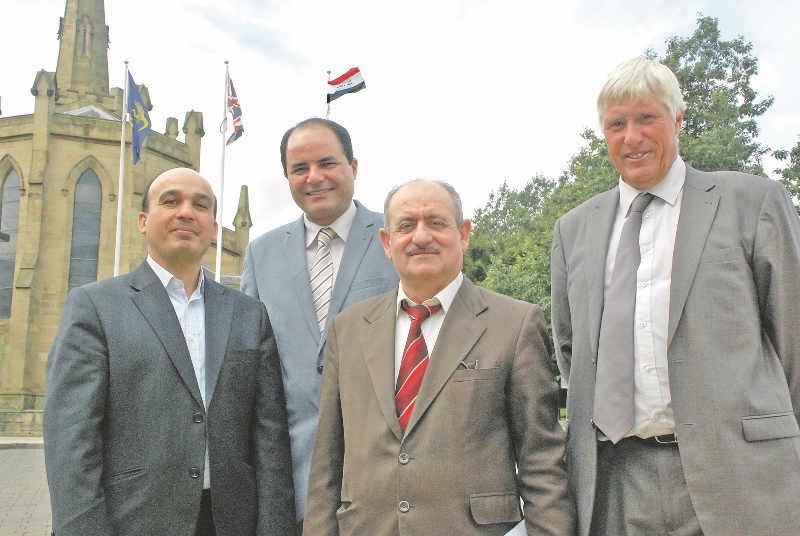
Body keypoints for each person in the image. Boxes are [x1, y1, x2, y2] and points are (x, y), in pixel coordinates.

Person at [550, 58, 800, 536]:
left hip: (740, 473)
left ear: (679, 118)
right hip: (616, 481)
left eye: (647, 118)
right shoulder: (572, 230)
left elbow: (793, 339)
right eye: (616, 124)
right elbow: (571, 350)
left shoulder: (754, 202)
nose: (632, 137)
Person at [305, 179, 575, 535]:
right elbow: (326, 464)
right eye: (406, 225)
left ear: (463, 234)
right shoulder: (348, 329)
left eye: (436, 222)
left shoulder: (515, 324)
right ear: (387, 243)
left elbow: (542, 461)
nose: (420, 237)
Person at [43, 168, 296, 536]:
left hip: (230, 521)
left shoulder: (248, 314)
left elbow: (269, 438)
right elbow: (71, 439)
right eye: (171, 201)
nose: (186, 212)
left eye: (200, 205)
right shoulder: (95, 306)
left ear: (212, 227)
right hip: (133, 520)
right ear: (144, 221)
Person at [241, 117, 399, 530]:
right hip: (291, 483)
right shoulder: (261, 254)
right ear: (287, 178)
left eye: (327, 163)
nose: (314, 178)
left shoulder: (400, 239)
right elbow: (247, 366)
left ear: (354, 166)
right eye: (299, 168)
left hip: (388, 479)